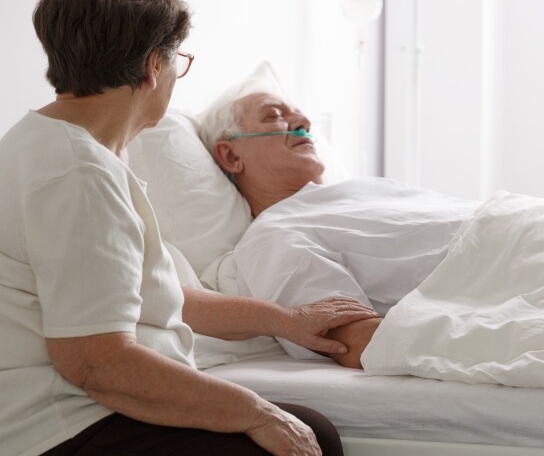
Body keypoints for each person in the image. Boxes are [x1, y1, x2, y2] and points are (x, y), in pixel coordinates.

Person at [0, 0, 379, 455]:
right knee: (304, 438)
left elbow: (154, 297)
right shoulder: (78, 174)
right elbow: (96, 364)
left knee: (309, 428)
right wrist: (255, 411)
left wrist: (286, 319)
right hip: (67, 425)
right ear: (153, 67)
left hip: (81, 409)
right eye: (179, 59)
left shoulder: (47, 147)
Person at [199, 88, 480, 369]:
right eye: (274, 115)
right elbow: (360, 342)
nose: (303, 122)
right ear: (231, 155)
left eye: (299, 113)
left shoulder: (366, 190)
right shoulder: (274, 235)